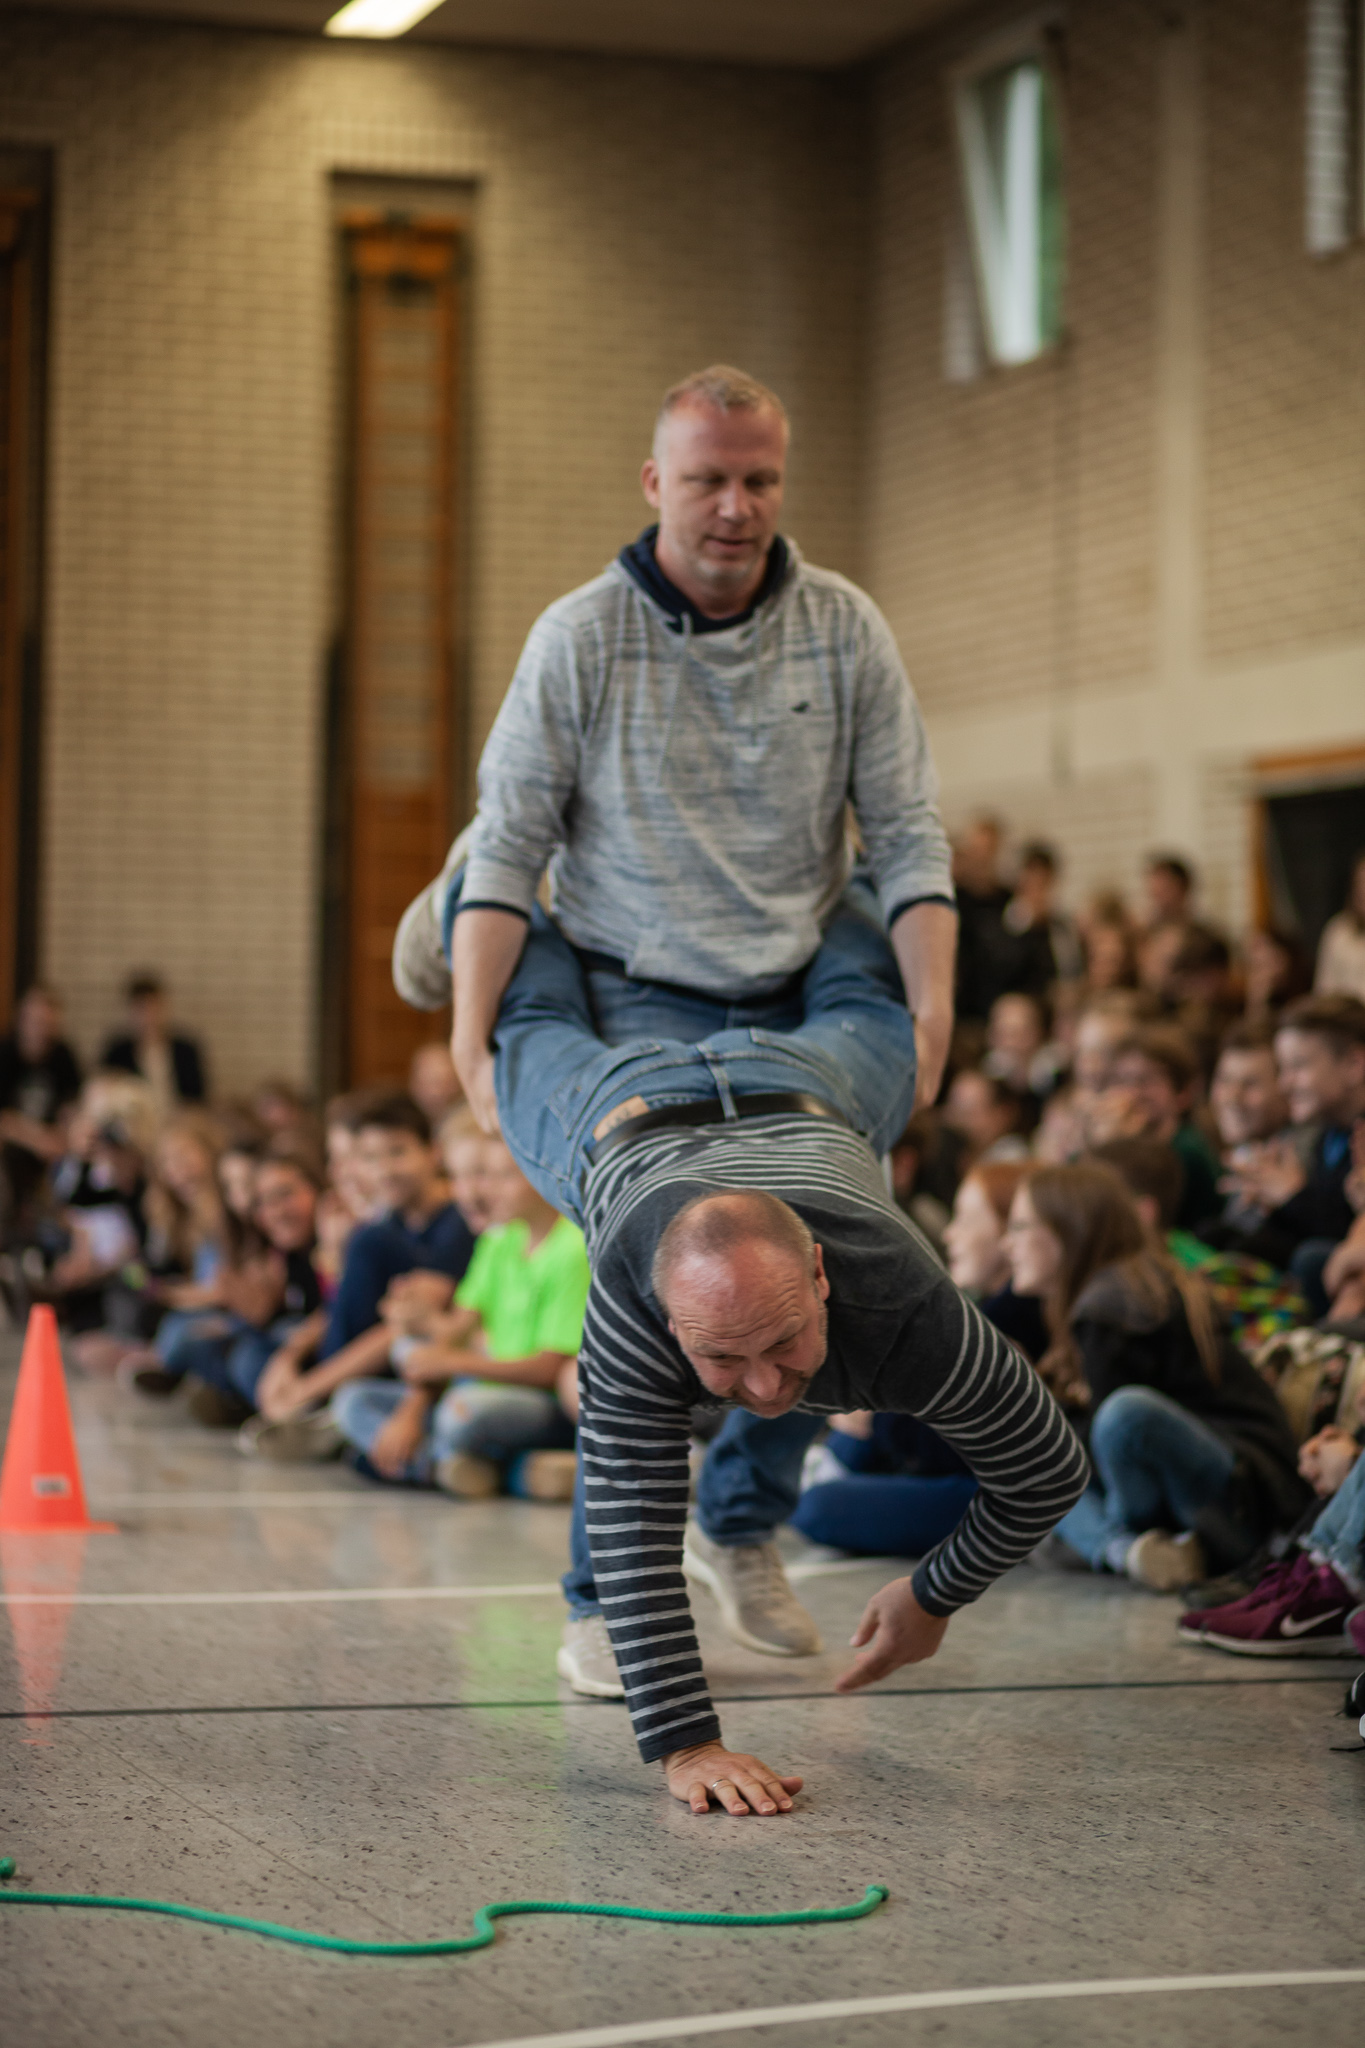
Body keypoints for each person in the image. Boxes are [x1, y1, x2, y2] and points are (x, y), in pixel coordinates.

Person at [466, 877, 1085, 1813]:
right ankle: (489, 874)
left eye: (785, 1338)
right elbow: (633, 1526)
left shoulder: (906, 1300)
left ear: (822, 1275)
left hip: (802, 1087)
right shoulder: (631, 1300)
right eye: (721, 1358)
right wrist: (688, 1748)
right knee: (525, 1003)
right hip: (626, 1109)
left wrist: (933, 1595)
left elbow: (1046, 1469)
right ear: (667, 1323)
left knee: (866, 974)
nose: (761, 1389)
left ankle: (844, 872)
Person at [402, 364, 956, 1134]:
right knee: (667, 1213)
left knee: (813, 1202)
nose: (737, 507)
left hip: (800, 992)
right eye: (707, 481)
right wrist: (468, 1041)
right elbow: (510, 844)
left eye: (760, 481)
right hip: (630, 997)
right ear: (654, 482)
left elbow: (905, 833)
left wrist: (933, 1016)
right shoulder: (579, 636)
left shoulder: (844, 626)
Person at [1007, 1163, 1309, 1592]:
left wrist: (1034, 1405)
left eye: (1019, 1226)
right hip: (1211, 1500)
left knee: (1122, 1414)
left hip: (1242, 1505)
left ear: (1068, 1229)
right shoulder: (1117, 1289)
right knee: (1027, 1470)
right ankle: (1134, 1553)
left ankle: (1113, 1545)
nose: (1007, 1243)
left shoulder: (1113, 1304)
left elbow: (1099, 1457)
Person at [331, 1135, 587, 1500]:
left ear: (545, 1176)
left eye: (504, 1177)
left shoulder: (571, 1248)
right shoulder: (498, 1240)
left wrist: (452, 1361)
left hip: (533, 1399)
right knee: (353, 1398)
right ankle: (464, 1468)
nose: (488, 1190)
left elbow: (551, 1369)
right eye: (486, 1176)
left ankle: (440, 1465)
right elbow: (454, 1332)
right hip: (477, 1382)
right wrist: (411, 1409)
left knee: (459, 1414)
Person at [244, 1092, 476, 1457]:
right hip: (357, 1357)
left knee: (368, 1241)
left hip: (419, 1365)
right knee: (255, 1352)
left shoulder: (457, 1222)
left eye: (398, 1152)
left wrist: (309, 1387)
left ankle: (325, 1414)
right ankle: (321, 1416)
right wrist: (288, 1358)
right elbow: (337, 1308)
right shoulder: (392, 1220)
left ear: (432, 1151)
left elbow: (402, 1329)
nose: (384, 1170)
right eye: (370, 1158)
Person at [1218, 995, 1365, 1307]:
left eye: (1299, 1066)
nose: (1284, 1084)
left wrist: (1292, 1195)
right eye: (1282, 1069)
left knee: (1310, 1260)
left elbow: (1343, 1237)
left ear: (1354, 1065)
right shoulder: (1330, 1133)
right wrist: (1272, 1202)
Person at [0, 984, 82, 1230]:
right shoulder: (5, 1053)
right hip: (15, 1142)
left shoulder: (63, 1055)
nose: (41, 1030)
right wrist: (38, 1140)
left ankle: (63, 1228)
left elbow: (72, 1106)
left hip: (52, 1145)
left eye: (48, 1023)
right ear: (22, 1020)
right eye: (36, 1022)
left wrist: (63, 1134)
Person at [102, 972, 207, 1110]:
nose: (148, 1017)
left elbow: (198, 1099)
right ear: (131, 1012)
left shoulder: (186, 1051)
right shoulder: (118, 1053)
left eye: (153, 1008)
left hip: (179, 1119)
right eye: (141, 1009)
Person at [1314, 849, 1365, 1003]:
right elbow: (1323, 992)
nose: (1362, 891)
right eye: (1359, 883)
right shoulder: (1338, 931)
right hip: (1344, 1015)